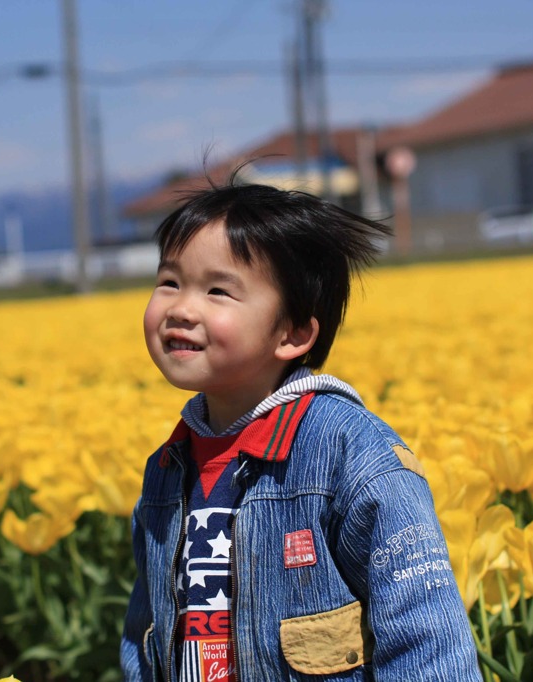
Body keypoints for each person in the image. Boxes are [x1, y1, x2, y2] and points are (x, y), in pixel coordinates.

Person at [121, 179, 482, 681]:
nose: (181, 308)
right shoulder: (166, 469)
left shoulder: (351, 456)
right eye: (169, 282)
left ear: (292, 333)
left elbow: (426, 635)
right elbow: (145, 636)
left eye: (218, 291)